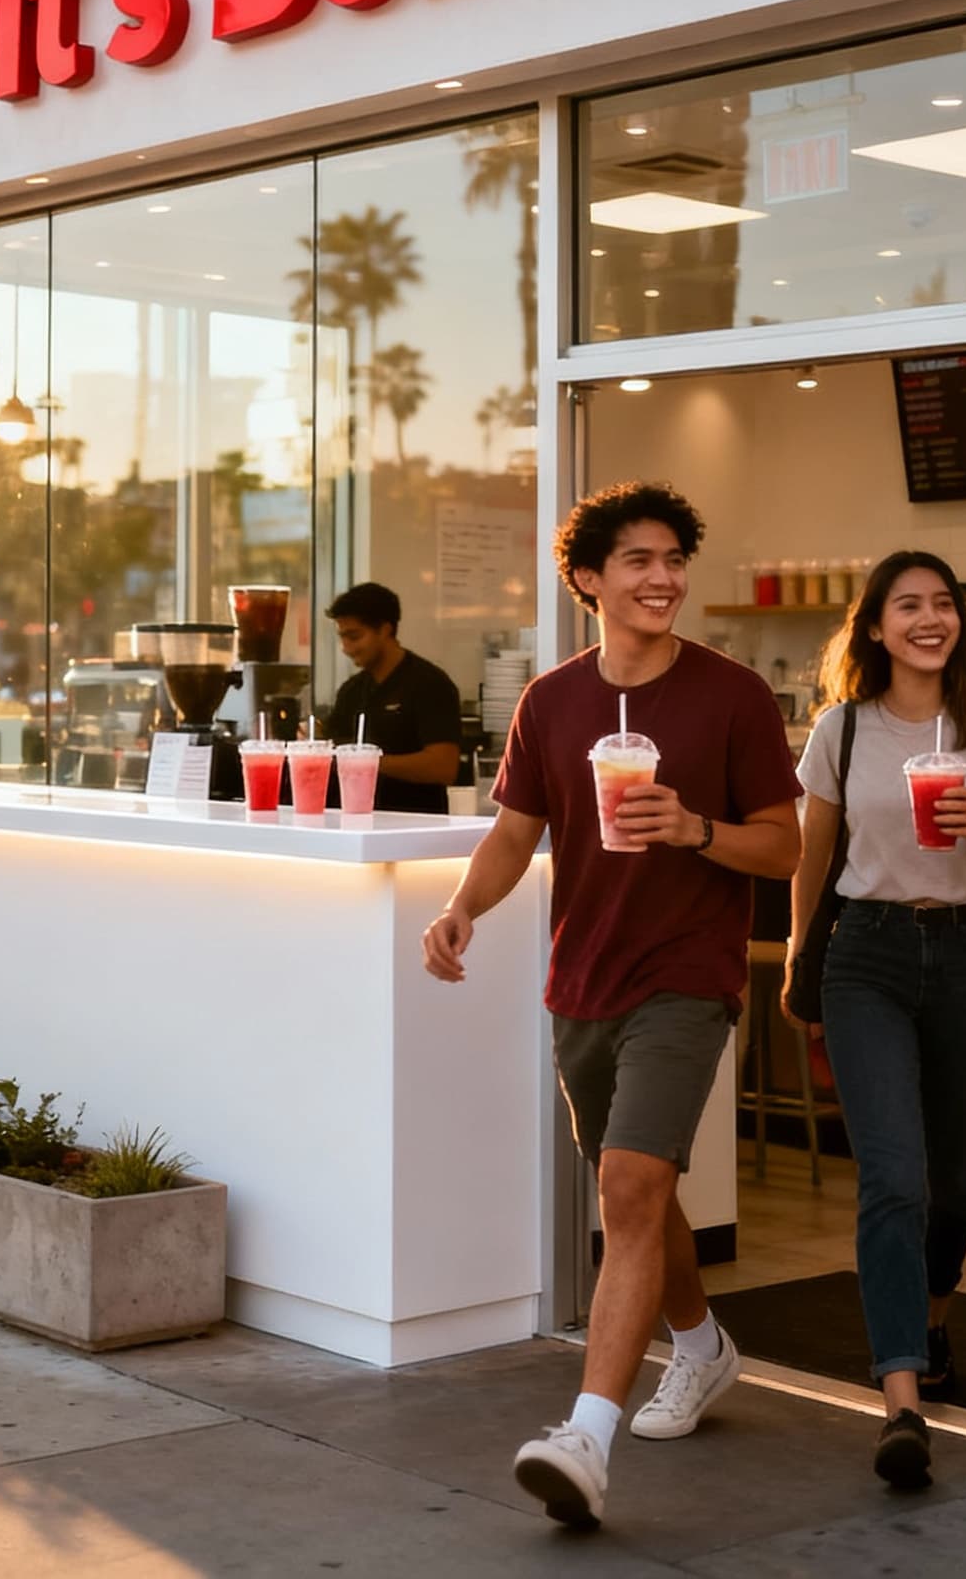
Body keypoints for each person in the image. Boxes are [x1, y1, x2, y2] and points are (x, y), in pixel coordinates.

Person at [422, 483, 802, 1530]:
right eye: (636, 559)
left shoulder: (730, 696)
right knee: (638, 1193)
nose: (661, 576)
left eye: (673, 557)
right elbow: (514, 831)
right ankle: (700, 1343)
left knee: (630, 1181)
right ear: (585, 578)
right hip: (579, 976)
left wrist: (692, 828)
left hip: (684, 975)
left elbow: (781, 842)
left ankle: (584, 1431)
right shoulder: (549, 700)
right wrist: (460, 907)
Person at [787, 551, 966, 1490]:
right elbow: (813, 857)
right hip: (868, 955)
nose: (929, 619)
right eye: (909, 605)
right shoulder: (841, 731)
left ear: (960, 624)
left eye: (943, 605)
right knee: (890, 1175)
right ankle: (901, 1399)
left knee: (951, 1182)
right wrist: (796, 955)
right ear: (875, 625)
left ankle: (934, 1318)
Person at [322, 582, 464, 813]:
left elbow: (443, 766)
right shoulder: (352, 690)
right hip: (357, 822)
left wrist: (368, 763)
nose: (346, 648)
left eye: (354, 636)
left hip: (415, 827)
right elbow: (335, 750)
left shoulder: (430, 684)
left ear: (385, 629)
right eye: (342, 638)